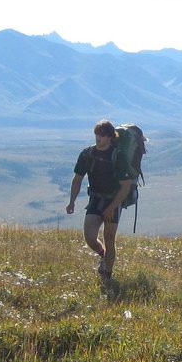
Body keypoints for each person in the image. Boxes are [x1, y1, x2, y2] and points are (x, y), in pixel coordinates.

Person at [66, 119, 134, 281]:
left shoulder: (118, 156)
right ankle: (103, 255)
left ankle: (107, 275)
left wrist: (112, 207)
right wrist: (72, 201)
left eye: (102, 135)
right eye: (97, 134)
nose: (98, 138)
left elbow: (125, 186)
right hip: (96, 198)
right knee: (89, 237)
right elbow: (77, 179)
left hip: (113, 200)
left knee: (109, 237)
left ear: (110, 137)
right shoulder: (87, 154)